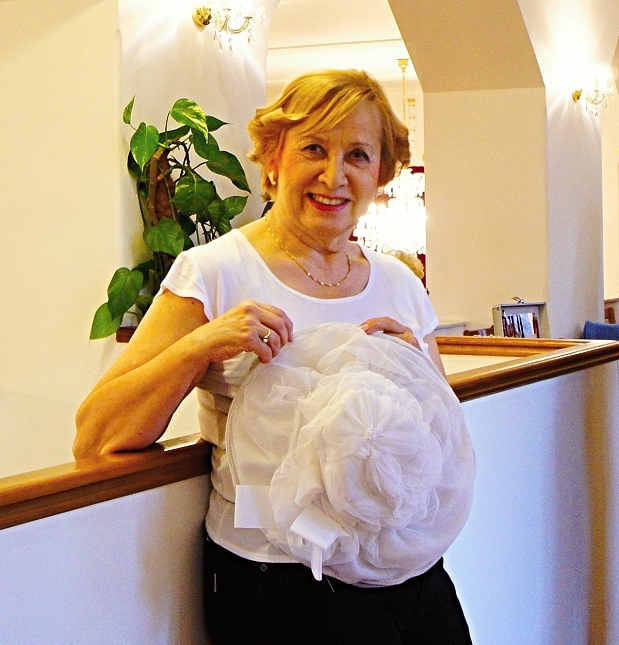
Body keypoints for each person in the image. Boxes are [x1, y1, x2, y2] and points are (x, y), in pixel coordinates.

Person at [74, 69, 473, 644]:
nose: (334, 175)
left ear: (381, 174)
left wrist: (415, 374)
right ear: (273, 158)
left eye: (358, 156)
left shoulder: (401, 284)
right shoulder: (215, 271)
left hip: (408, 571)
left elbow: (444, 444)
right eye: (314, 148)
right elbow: (96, 434)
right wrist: (201, 345)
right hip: (277, 581)